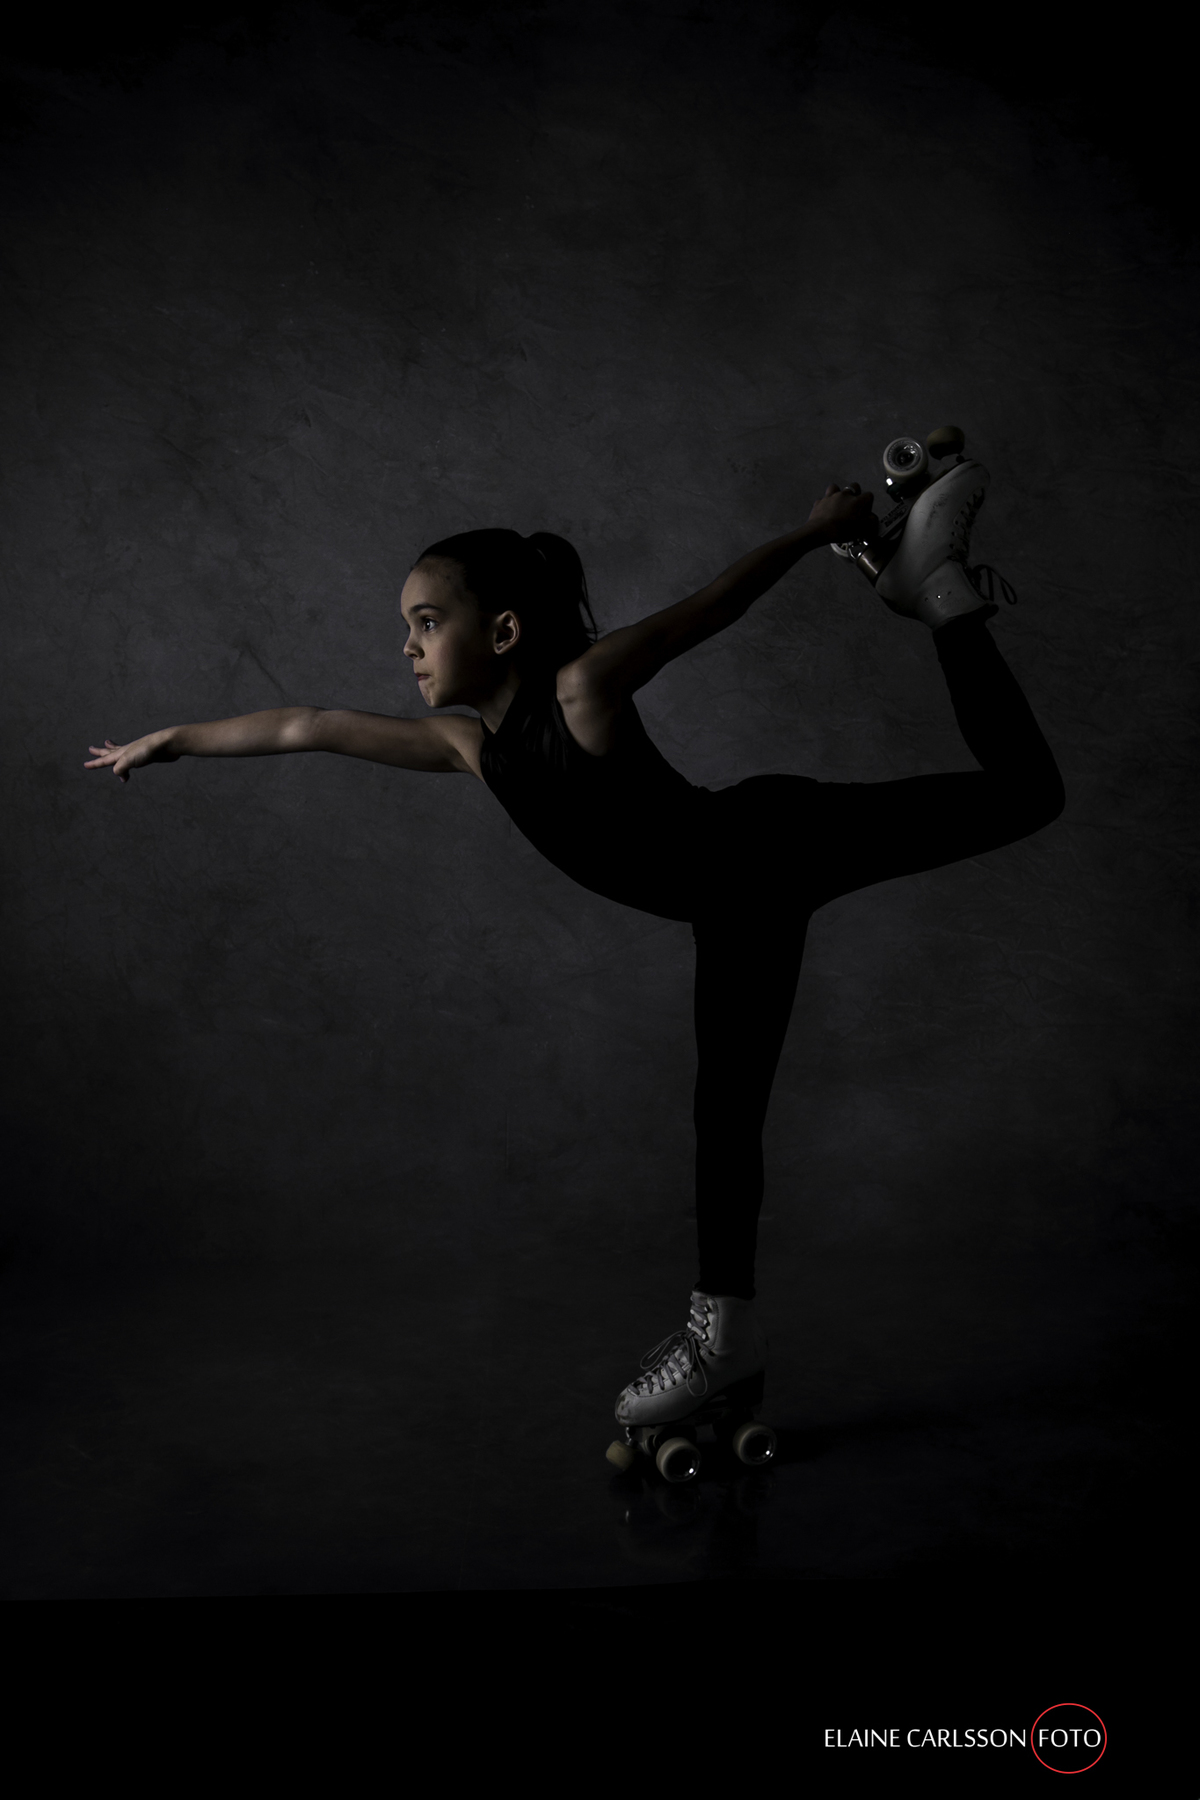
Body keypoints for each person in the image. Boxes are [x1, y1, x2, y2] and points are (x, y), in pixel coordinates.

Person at [85, 455, 1064, 1453]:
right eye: (408, 627)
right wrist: (175, 740)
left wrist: (815, 535)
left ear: (503, 631)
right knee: (724, 1115)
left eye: (428, 622)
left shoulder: (584, 689)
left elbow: (710, 608)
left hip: (774, 842)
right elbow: (311, 724)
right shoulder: (473, 749)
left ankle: (939, 589)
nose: (409, 646)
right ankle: (725, 1338)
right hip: (736, 911)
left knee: (1030, 795)